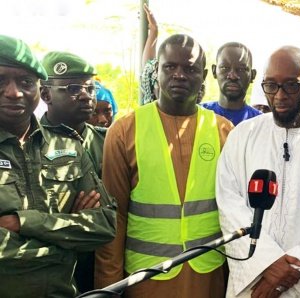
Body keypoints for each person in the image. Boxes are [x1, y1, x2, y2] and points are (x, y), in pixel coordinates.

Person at [95, 34, 233, 298]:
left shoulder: (223, 130)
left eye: (190, 69)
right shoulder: (125, 131)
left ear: (203, 76)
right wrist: (108, 288)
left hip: (208, 277)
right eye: (170, 67)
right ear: (156, 70)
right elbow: (114, 217)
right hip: (145, 280)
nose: (179, 75)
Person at [217, 45, 300, 297]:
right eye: (271, 85)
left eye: (290, 85)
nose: (279, 95)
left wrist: (289, 269)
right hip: (253, 282)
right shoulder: (242, 135)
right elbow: (229, 204)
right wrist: (268, 264)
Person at [0, 34, 116, 297]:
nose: (14, 92)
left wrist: (25, 223)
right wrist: (67, 238)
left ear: (37, 90)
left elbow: (105, 226)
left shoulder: (68, 148)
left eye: (25, 82)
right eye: (1, 80)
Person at [39, 51, 110, 293]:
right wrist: (74, 219)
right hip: (56, 268)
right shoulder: (31, 143)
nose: (85, 96)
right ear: (45, 94)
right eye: (72, 88)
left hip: (106, 260)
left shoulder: (109, 141)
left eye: (90, 88)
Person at [201, 42, 261, 125]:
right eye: (224, 68)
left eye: (241, 70)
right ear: (214, 71)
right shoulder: (199, 116)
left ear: (253, 75)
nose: (232, 76)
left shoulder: (261, 123)